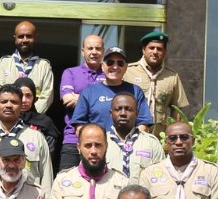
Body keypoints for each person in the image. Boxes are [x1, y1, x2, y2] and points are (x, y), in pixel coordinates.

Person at [0, 84, 54, 190]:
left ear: (21, 106)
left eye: (14, 102)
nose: (9, 105)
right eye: (4, 102)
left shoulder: (36, 138)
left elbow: (47, 181)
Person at [70, 46, 151, 140]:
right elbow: (79, 125)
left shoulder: (136, 91)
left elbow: (143, 124)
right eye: (110, 62)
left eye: (120, 63)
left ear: (125, 67)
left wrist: (130, 143)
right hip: (98, 149)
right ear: (103, 66)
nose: (115, 66)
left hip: (128, 149)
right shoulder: (89, 92)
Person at [124, 30, 189, 132]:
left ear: (165, 53)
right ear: (143, 50)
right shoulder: (128, 72)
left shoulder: (172, 77)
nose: (155, 52)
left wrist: (173, 135)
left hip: (159, 137)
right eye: (151, 48)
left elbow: (177, 110)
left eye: (159, 49)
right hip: (131, 134)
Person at [58, 34, 107, 169]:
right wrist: (100, 98)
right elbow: (68, 99)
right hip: (73, 139)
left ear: (103, 51)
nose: (94, 52)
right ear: (82, 51)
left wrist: (79, 97)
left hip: (102, 140)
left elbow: (113, 102)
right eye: (90, 48)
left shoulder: (109, 74)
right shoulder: (70, 73)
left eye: (97, 48)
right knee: (66, 183)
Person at [0, 20, 56, 113]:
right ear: (15, 38)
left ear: (36, 38)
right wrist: (14, 114)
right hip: (5, 118)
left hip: (33, 119)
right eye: (21, 36)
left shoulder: (43, 66)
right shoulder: (3, 63)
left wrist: (30, 116)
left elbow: (47, 96)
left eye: (29, 36)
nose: (25, 40)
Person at [105, 92, 165, 182]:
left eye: (128, 109)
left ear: (137, 113)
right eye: (118, 109)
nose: (123, 113)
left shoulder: (151, 143)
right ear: (111, 113)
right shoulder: (100, 143)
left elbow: (160, 178)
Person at [15, 77, 61, 171]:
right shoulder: (6, 121)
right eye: (20, 95)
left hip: (36, 171)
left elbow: (49, 154)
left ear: (34, 97)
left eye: (28, 96)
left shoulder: (45, 123)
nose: (24, 100)